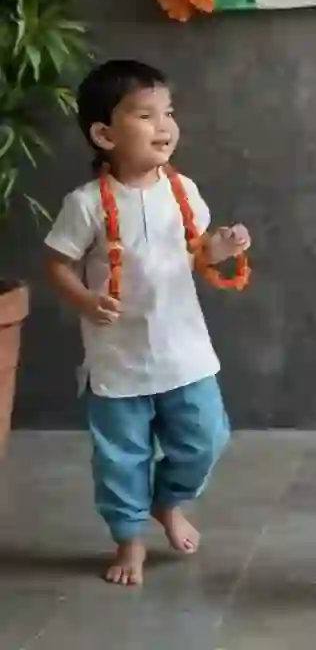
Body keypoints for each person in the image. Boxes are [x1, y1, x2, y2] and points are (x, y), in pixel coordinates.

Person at [43, 60, 251, 586]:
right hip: (119, 361)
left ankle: (168, 501)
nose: (164, 126)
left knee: (206, 437)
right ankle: (129, 540)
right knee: (121, 457)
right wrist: (87, 301)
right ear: (104, 134)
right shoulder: (86, 204)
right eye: (145, 114)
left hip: (184, 351)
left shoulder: (183, 192)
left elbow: (199, 252)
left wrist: (221, 247)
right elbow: (56, 264)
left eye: (169, 112)